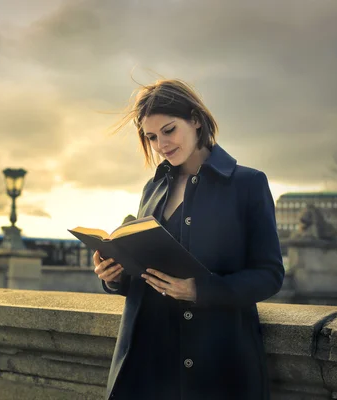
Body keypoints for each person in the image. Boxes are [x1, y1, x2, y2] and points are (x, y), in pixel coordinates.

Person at [92, 79, 285, 399]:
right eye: (151, 137)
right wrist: (115, 276)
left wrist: (199, 290)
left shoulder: (248, 184)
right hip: (148, 364)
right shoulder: (151, 189)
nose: (160, 145)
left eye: (169, 130)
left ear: (196, 119)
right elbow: (146, 275)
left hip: (217, 364)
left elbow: (270, 275)